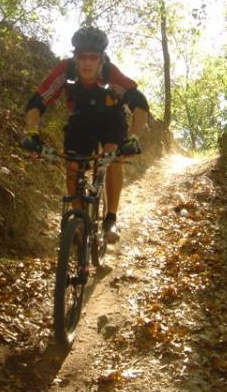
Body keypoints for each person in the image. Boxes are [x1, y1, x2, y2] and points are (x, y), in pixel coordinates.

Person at [21, 26, 149, 243]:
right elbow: (37, 101)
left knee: (112, 156)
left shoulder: (111, 73)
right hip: (81, 119)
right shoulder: (65, 71)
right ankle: (79, 222)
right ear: (75, 57)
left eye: (93, 58)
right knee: (73, 166)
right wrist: (32, 133)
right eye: (82, 57)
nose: (87, 63)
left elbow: (139, 104)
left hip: (111, 118)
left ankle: (111, 219)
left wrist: (134, 138)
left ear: (101, 59)